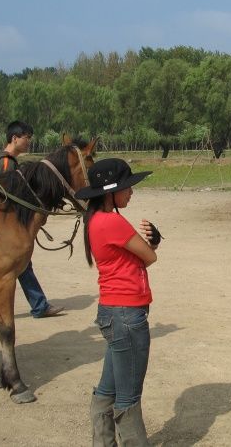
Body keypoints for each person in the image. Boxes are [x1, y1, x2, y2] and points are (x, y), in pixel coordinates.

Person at [77, 158, 160, 446]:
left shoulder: (95, 220)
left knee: (107, 389)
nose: (131, 192)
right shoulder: (112, 221)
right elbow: (149, 257)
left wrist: (150, 243)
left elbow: (135, 258)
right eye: (126, 188)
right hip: (127, 314)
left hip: (112, 312)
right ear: (110, 192)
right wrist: (154, 243)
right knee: (128, 397)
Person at [0, 121, 63, 324]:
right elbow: (2, 198)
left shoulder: (10, 161)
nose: (29, 141)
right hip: (6, 230)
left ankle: (38, 304)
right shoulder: (7, 163)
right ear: (15, 138)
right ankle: (37, 305)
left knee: (20, 267)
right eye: (26, 137)